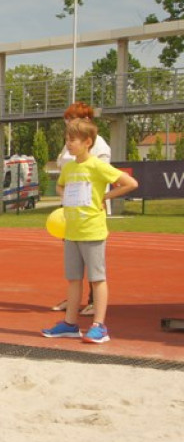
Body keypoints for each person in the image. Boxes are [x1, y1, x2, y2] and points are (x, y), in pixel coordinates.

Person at [42, 118, 137, 344]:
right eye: (66, 140)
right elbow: (60, 184)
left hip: (92, 231)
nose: (68, 144)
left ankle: (99, 326)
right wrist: (65, 194)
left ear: (87, 142)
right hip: (72, 231)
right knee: (73, 279)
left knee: (97, 279)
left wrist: (105, 197)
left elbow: (130, 183)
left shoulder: (97, 165)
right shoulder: (70, 167)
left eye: (72, 140)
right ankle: (70, 323)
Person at [51, 101, 112, 316]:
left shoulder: (98, 144)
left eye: (71, 118)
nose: (67, 123)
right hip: (71, 207)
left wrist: (101, 197)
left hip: (89, 207)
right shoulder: (69, 145)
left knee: (93, 261)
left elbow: (103, 174)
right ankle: (73, 299)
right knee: (74, 264)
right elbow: (63, 171)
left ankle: (95, 302)